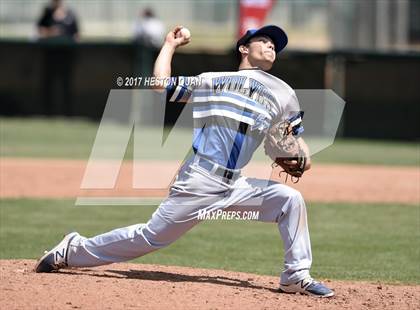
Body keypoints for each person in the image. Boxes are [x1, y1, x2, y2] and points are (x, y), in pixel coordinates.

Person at [35, 25, 334, 298]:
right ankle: (72, 249)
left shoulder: (285, 93)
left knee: (289, 201)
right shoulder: (212, 80)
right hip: (200, 180)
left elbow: (295, 139)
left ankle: (295, 276)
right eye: (264, 40)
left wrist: (302, 158)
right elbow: (160, 85)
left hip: (236, 184)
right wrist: (169, 45)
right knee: (149, 238)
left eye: (275, 45)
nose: (271, 46)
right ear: (244, 48)